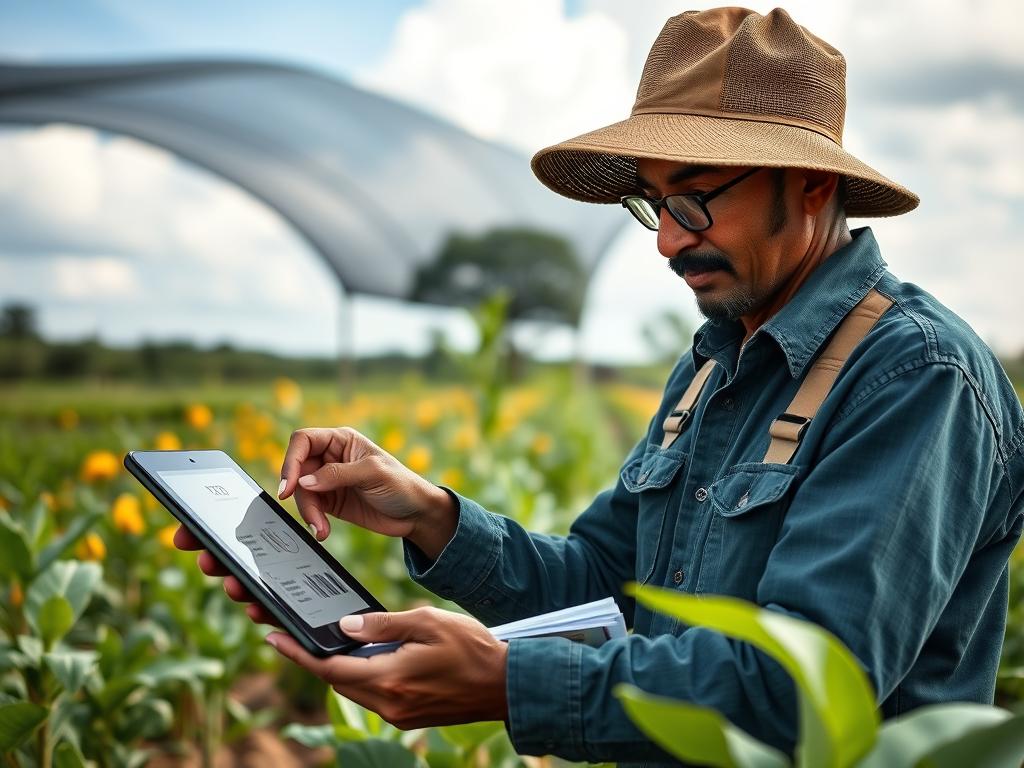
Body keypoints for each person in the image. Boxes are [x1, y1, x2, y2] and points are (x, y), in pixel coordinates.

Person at [175, 7, 1024, 764]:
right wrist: (430, 516)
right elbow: (606, 586)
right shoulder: (715, 364)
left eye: (694, 201)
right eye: (653, 205)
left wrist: (507, 680)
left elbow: (804, 689)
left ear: (812, 184)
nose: (667, 243)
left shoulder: (914, 377)